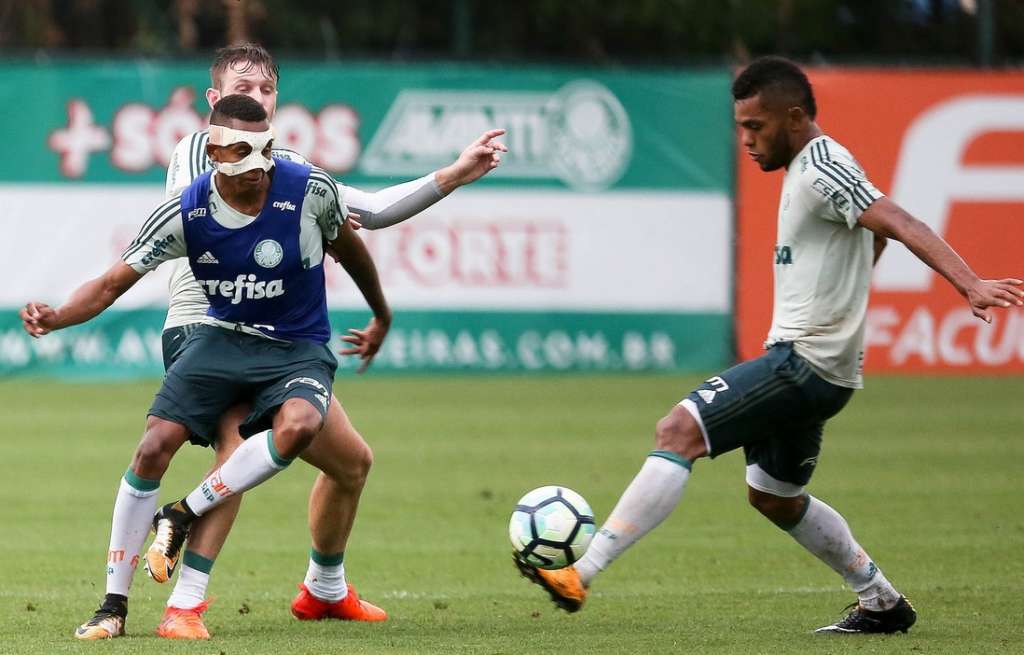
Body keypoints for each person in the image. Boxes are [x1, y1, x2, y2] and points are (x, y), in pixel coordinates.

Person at [513, 56, 1024, 634]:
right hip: (822, 371)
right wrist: (857, 280)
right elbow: (874, 231)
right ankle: (881, 602)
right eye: (740, 127)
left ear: (795, 116)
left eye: (755, 127)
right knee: (774, 497)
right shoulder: (809, 171)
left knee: (677, 431)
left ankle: (583, 571)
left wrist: (970, 283)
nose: (746, 140)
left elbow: (898, 219)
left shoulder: (823, 163)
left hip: (803, 362)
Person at [146, 43, 506, 640]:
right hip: (207, 326)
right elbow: (231, 206)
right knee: (234, 450)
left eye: (265, 90)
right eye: (242, 87)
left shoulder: (285, 169)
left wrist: (453, 175)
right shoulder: (200, 149)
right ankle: (183, 605)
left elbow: (367, 209)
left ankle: (324, 589)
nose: (253, 97)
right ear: (212, 100)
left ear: (277, 100)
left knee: (351, 463)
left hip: (274, 339)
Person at [21, 95, 393, 640]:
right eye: (241, 155)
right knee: (153, 445)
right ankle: (112, 607)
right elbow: (110, 283)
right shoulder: (186, 210)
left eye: (264, 152)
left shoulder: (308, 189)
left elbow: (354, 250)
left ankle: (183, 514)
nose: (258, 169)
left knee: (302, 427)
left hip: (295, 347)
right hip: (220, 341)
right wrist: (57, 316)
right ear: (214, 154)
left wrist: (382, 315)